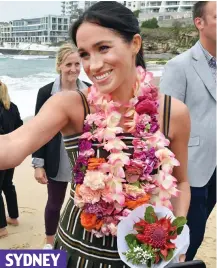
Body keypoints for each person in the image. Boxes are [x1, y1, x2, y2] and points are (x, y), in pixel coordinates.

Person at [0, 2, 190, 266]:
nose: (93, 65)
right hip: (77, 250)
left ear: (135, 43)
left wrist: (177, 233)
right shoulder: (72, 105)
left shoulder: (173, 113)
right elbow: (10, 146)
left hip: (146, 254)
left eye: (103, 48)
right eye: (84, 55)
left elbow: (181, 183)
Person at [160, 1, 216, 261]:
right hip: (189, 170)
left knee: (200, 230)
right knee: (185, 240)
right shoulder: (178, 66)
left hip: (214, 167)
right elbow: (163, 127)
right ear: (200, 23)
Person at [32, 43, 91, 249]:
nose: (74, 69)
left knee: (84, 204)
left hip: (85, 161)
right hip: (56, 158)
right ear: (59, 66)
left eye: (77, 64)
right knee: (54, 203)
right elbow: (37, 130)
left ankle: (78, 242)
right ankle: (50, 243)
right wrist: (38, 163)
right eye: (68, 64)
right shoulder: (46, 92)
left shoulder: (89, 91)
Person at [0, 81, 23, 238]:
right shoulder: (12, 106)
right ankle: (13, 217)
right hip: (12, 151)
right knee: (8, 184)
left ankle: (1, 228)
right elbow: (20, 127)